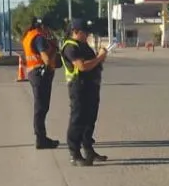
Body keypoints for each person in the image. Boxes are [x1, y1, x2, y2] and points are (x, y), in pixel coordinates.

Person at [60, 20, 109, 167]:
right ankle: (74, 154)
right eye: (84, 32)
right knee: (78, 120)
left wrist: (100, 58)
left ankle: (89, 150)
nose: (87, 34)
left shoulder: (83, 45)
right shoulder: (70, 47)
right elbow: (81, 66)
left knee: (90, 120)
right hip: (78, 87)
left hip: (91, 86)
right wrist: (100, 57)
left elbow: (92, 63)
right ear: (75, 31)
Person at [22, 17, 60, 150]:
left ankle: (41, 137)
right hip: (40, 74)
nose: (49, 31)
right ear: (43, 27)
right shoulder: (39, 38)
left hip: (33, 72)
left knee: (41, 107)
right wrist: (54, 49)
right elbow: (46, 59)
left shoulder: (28, 35)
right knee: (41, 108)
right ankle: (41, 139)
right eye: (48, 28)